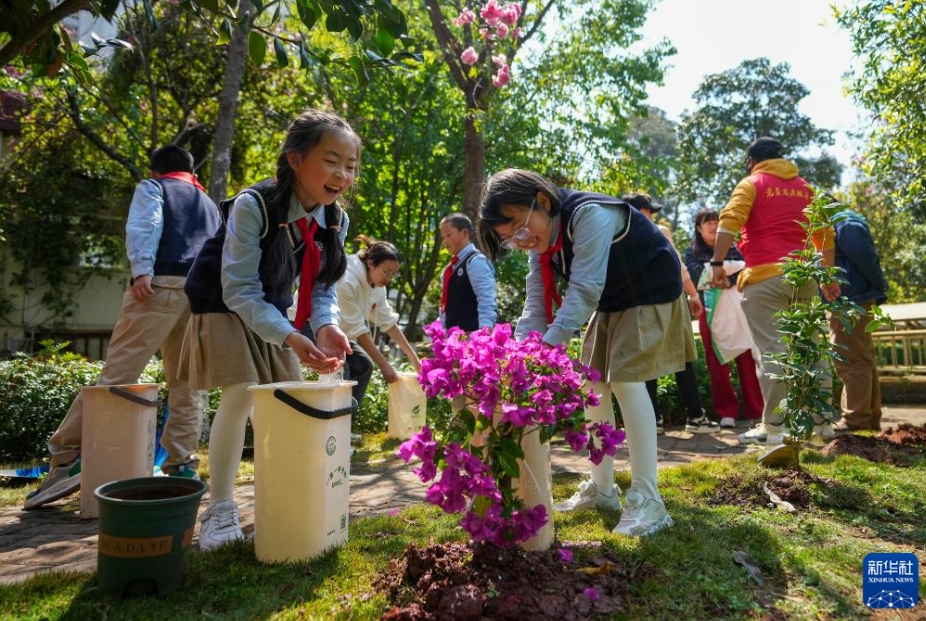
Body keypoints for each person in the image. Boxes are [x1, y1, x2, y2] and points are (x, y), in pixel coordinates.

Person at [478, 169, 695, 537]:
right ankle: (602, 489)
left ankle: (649, 498)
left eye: (519, 225)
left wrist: (547, 348)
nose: (522, 239)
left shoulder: (588, 215)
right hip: (612, 302)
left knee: (626, 380)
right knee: (591, 385)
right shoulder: (543, 244)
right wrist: (519, 356)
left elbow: (584, 290)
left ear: (542, 201)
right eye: (510, 237)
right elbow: (536, 305)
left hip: (650, 292)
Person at [181, 109, 357, 550]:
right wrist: (291, 335)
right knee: (241, 391)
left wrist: (326, 327)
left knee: (284, 400)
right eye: (332, 160)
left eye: (351, 165)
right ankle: (219, 510)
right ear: (295, 160)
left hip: (271, 310)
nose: (342, 174)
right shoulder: (253, 204)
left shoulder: (336, 220)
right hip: (221, 301)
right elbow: (238, 289)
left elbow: (321, 289)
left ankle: (281, 494)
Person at [24, 146, 220, 510]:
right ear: (190, 171)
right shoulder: (209, 203)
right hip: (200, 296)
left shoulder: (154, 187)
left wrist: (141, 269)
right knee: (187, 381)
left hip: (159, 285)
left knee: (117, 375)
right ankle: (182, 465)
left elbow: (145, 224)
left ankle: (67, 456)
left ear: (159, 169)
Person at [710, 137, 840, 445]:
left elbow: (729, 221)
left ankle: (774, 428)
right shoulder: (806, 188)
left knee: (772, 350)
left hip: (764, 278)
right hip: (803, 277)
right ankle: (823, 425)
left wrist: (717, 262)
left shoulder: (752, 183)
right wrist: (828, 277)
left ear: (751, 161)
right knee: (809, 347)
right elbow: (825, 233)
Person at [624, 194, 717, 434]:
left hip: (639, 303)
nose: (652, 216)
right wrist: (693, 295)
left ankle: (652, 420)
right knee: (681, 357)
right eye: (648, 211)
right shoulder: (658, 230)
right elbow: (679, 265)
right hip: (669, 301)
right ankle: (695, 417)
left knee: (649, 360)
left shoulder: (619, 236)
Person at [684, 209, 764, 429]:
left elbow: (747, 272)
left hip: (740, 312)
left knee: (747, 358)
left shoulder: (735, 250)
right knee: (717, 363)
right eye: (706, 222)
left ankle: (756, 410)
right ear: (698, 228)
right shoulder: (691, 253)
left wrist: (724, 278)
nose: (712, 226)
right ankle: (725, 412)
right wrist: (728, 272)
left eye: (716, 222)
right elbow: (696, 276)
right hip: (710, 312)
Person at [336, 235, 421, 406]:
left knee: (363, 366)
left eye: (394, 274)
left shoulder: (377, 285)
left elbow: (388, 322)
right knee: (340, 371)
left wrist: (415, 359)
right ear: (371, 263)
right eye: (386, 272)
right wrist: (384, 365)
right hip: (311, 326)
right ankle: (332, 427)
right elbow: (359, 332)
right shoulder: (347, 280)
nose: (389, 278)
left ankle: (346, 426)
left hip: (340, 334)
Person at [828, 202, 888, 431]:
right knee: (863, 357)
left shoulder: (841, 223)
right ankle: (869, 419)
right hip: (859, 295)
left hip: (848, 296)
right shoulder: (847, 218)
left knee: (849, 358)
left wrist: (877, 285)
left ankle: (855, 420)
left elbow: (863, 255)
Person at [439, 213, 497, 331]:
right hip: (455, 336)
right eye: (442, 238)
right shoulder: (449, 269)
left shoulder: (475, 261)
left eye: (448, 235)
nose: (445, 241)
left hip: (472, 334)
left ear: (465, 233)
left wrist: (485, 330)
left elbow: (486, 297)